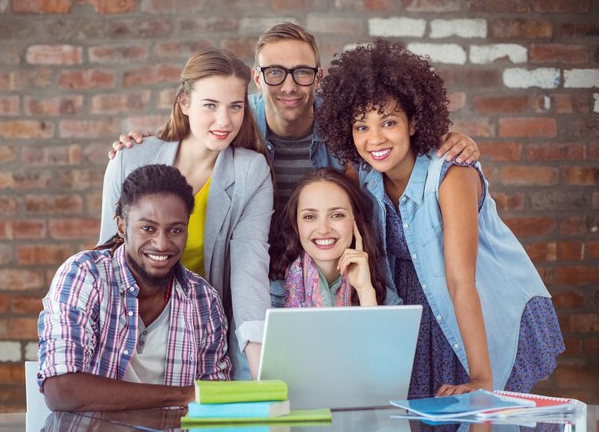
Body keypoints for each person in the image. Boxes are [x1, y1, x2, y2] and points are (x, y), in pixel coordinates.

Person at [108, 23, 480, 308]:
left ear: (317, 78)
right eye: (274, 72)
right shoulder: (235, 118)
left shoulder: (340, 129)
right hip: (253, 279)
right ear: (257, 77)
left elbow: (386, 135)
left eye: (302, 72)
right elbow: (196, 127)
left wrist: (442, 141)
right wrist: (138, 147)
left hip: (331, 276)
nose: (288, 85)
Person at [317, 39, 564, 398]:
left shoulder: (452, 174)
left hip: (474, 306)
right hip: (412, 312)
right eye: (361, 126)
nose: (375, 139)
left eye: (388, 122)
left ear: (414, 120)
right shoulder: (363, 173)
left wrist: (482, 377)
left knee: (481, 411)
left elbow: (460, 279)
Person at [98, 49, 273, 380]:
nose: (224, 121)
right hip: (133, 326)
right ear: (184, 103)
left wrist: (263, 373)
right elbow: (108, 256)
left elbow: (249, 270)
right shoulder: (130, 159)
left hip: (201, 334)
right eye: (210, 105)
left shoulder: (250, 171)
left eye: (235, 106)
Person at [38, 164, 231, 412]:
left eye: (175, 230)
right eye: (147, 228)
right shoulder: (84, 275)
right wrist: (182, 395)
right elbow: (61, 391)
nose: (162, 244)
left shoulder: (204, 300)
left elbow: (215, 404)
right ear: (121, 225)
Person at [270, 168, 388, 307]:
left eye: (337, 215)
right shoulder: (270, 295)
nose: (323, 229)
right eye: (309, 216)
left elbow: (380, 329)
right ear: (296, 224)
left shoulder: (383, 295)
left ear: (355, 220)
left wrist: (365, 291)